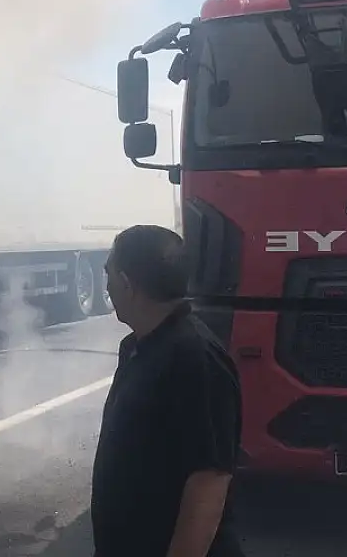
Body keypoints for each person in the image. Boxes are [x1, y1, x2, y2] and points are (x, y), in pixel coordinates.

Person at [91, 225, 244, 557]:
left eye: (109, 274)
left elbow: (208, 481)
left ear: (127, 283)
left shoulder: (195, 358)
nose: (107, 286)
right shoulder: (139, 347)